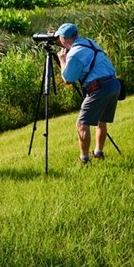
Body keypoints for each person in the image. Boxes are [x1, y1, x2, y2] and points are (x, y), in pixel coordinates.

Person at [55, 23, 120, 164]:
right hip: (114, 84)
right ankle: (98, 153)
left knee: (82, 124)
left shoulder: (74, 54)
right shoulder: (89, 42)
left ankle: (84, 159)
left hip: (98, 88)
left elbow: (68, 79)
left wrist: (62, 60)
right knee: (100, 121)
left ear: (63, 39)